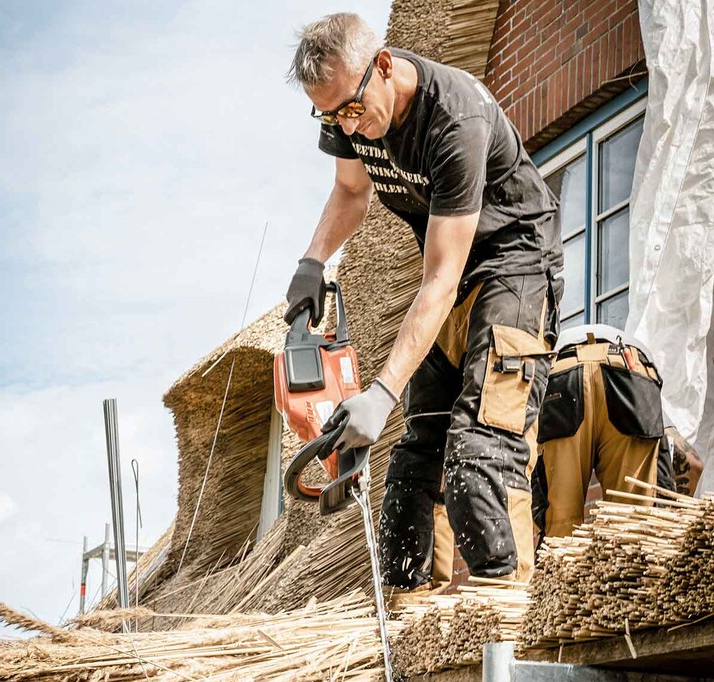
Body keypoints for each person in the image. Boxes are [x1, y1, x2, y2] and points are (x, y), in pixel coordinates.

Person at [284, 14, 563, 584]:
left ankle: (503, 619)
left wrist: (382, 393)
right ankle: (410, 618)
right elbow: (350, 189)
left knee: (482, 447)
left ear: (384, 66)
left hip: (515, 266)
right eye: (330, 114)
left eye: (352, 109)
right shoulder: (351, 106)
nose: (347, 125)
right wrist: (312, 262)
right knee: (417, 461)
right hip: (455, 282)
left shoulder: (454, 120)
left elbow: (438, 278)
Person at [531, 323, 704, 541]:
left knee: (559, 535)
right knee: (635, 534)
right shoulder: (647, 390)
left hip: (561, 369)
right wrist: (670, 527)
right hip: (630, 368)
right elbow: (691, 462)